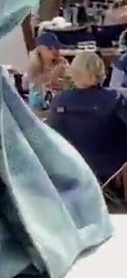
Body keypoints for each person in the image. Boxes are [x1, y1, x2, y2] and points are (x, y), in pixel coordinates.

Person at [47, 50, 127, 185]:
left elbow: (53, 138)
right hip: (115, 172)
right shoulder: (116, 99)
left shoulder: (60, 101)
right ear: (101, 70)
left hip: (78, 172)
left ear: (74, 72)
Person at [25, 29, 69, 110]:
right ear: (40, 49)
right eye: (50, 48)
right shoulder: (33, 68)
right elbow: (34, 84)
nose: (54, 51)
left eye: (57, 48)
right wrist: (53, 75)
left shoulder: (62, 64)